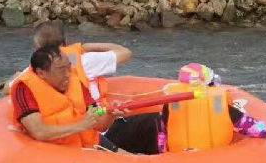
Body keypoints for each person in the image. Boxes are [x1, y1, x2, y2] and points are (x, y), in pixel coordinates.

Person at [12, 44, 165, 154]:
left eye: (68, 67)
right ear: (41, 73)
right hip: (59, 153)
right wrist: (81, 125)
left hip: (91, 143)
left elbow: (98, 121)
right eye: (60, 70)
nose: (67, 74)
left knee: (136, 158)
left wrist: (111, 113)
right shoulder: (24, 89)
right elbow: (39, 131)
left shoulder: (74, 81)